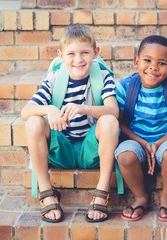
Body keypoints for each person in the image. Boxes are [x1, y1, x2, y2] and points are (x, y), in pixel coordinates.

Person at [21, 24, 119, 223]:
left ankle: (102, 191)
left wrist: (83, 108)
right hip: (61, 148)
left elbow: (114, 111)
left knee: (109, 121)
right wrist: (49, 109)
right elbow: (25, 111)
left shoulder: (103, 77)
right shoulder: (54, 80)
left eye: (85, 52)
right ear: (61, 55)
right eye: (71, 53)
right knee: (33, 122)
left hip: (91, 150)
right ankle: (47, 191)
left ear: (95, 53)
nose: (78, 60)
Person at [114, 35, 167, 222]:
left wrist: (157, 143)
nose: (153, 67)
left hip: (166, 140)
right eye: (147, 60)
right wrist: (143, 143)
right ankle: (141, 197)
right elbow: (120, 122)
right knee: (124, 156)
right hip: (134, 140)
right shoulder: (124, 87)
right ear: (136, 61)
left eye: (162, 63)